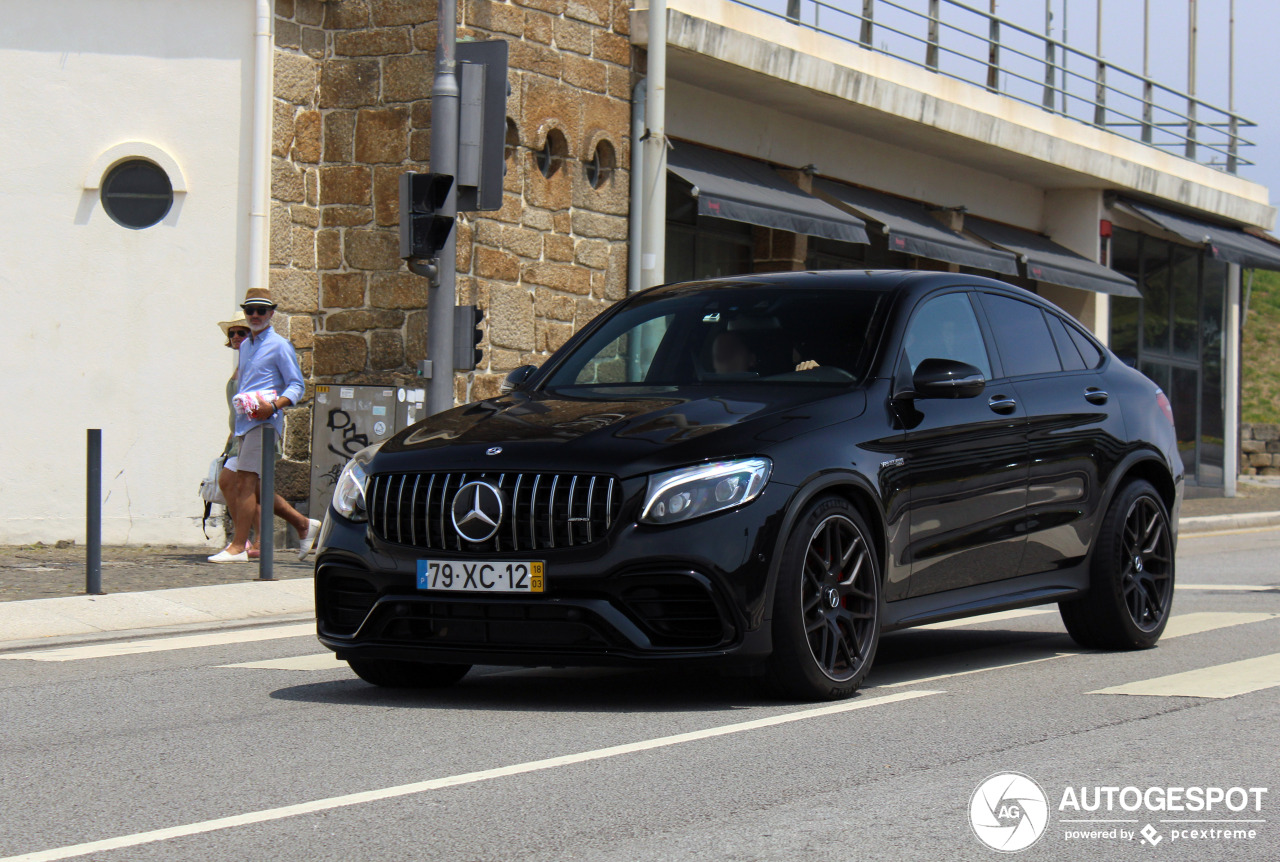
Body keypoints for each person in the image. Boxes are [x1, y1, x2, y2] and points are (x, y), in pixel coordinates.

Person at [208, 288, 321, 563]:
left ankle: (238, 547)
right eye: (250, 310)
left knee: (245, 482)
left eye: (261, 310)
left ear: (271, 313)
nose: (255, 315)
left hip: (266, 423)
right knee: (238, 481)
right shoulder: (247, 346)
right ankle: (303, 525)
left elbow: (297, 385)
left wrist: (273, 406)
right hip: (244, 425)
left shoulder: (280, 344)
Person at [214, 313, 257, 557]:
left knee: (238, 485)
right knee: (242, 487)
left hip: (252, 433)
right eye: (232, 333)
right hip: (238, 436)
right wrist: (230, 436)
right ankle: (250, 539)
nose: (236, 337)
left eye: (242, 332)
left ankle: (247, 540)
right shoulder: (241, 363)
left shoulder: (253, 361)